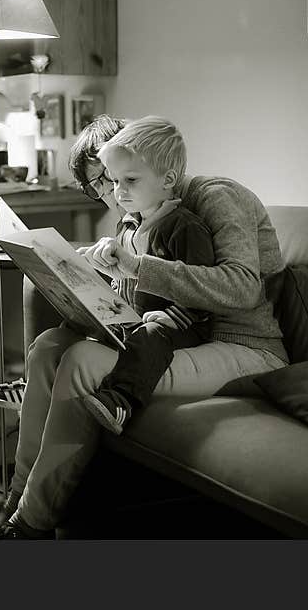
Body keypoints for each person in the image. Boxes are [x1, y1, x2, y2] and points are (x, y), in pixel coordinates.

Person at [0, 114, 289, 539]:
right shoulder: (137, 214)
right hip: (176, 338)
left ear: (155, 167)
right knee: (47, 346)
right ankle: (16, 497)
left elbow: (242, 288)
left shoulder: (212, 199)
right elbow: (143, 297)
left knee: (82, 361)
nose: (111, 194)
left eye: (114, 180)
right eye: (106, 184)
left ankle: (32, 523)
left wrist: (137, 267)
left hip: (242, 344)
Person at [80, 116, 215, 434]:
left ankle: (120, 401)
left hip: (179, 326)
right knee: (81, 327)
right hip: (133, 319)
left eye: (131, 181)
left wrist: (170, 317)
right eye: (114, 181)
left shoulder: (184, 227)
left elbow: (202, 290)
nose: (118, 191)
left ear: (167, 179)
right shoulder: (127, 225)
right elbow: (125, 283)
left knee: (150, 336)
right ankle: (34, 381)